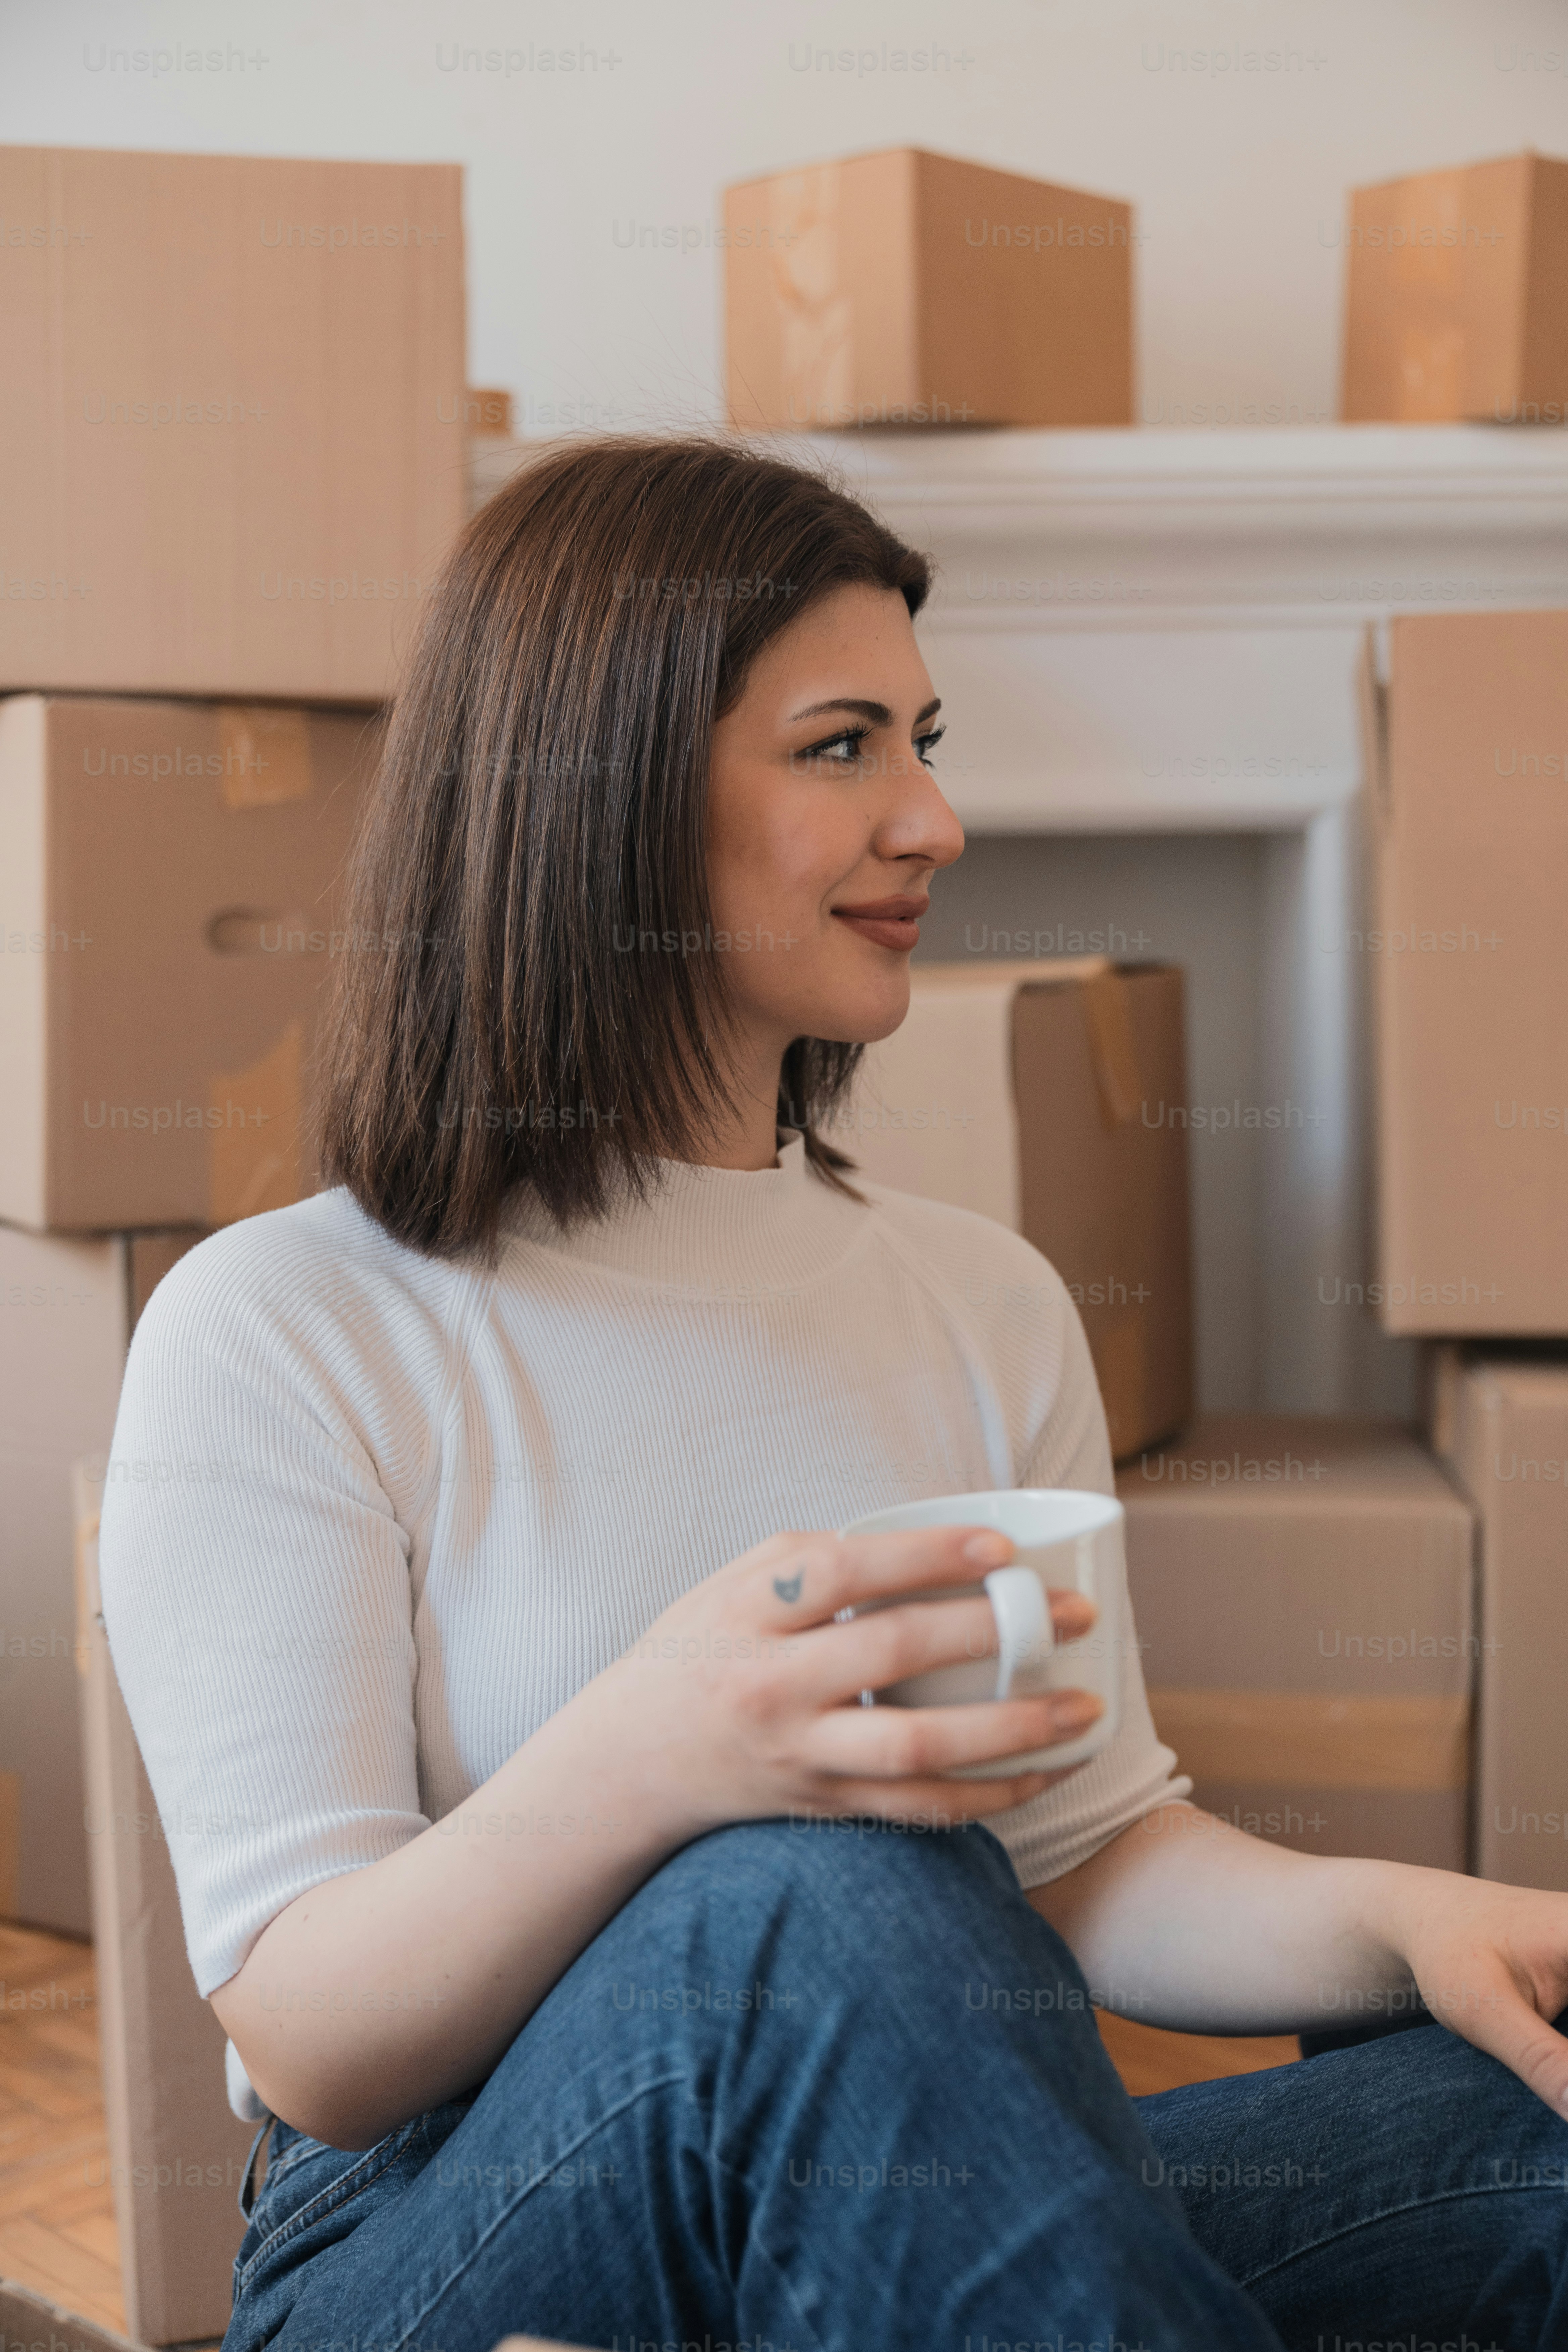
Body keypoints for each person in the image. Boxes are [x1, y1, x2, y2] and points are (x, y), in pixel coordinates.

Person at [100, 436, 1568, 2352]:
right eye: (842, 747)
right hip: (435, 2241)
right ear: (603, 792)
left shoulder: (985, 1303)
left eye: (925, 741)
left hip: (913, 2171)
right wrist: (670, 1751)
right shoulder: (287, 1322)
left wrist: (1415, 1925)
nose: (936, 821)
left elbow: (1094, 1855)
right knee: (812, 1891)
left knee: (1521, 2126)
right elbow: (308, 2038)